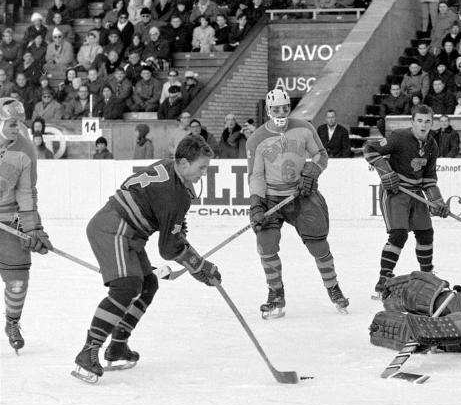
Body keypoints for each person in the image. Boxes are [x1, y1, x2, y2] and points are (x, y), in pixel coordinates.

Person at [72, 135, 220, 383]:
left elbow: (168, 224)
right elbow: (169, 248)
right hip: (113, 229)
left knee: (148, 284)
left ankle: (118, 346)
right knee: (126, 287)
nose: (203, 173)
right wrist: (199, 266)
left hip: (127, 232)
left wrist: (179, 232)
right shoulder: (176, 195)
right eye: (201, 167)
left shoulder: (169, 167)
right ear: (183, 163)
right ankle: (88, 351)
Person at [247, 89, 349, 319]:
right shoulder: (256, 140)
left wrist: (312, 172)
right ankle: (276, 293)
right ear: (267, 110)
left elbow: (321, 155)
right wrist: (256, 204)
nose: (281, 112)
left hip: (301, 195)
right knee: (266, 244)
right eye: (276, 109)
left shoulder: (305, 127)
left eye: (284, 108)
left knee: (318, 245)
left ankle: (333, 287)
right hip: (272, 198)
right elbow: (256, 176)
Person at [363, 104, 449, 297]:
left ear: (432, 123)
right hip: (395, 192)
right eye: (419, 120)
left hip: (416, 194)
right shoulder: (399, 137)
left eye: (427, 121)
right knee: (399, 235)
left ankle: (427, 277)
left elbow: (428, 178)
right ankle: (383, 281)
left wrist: (437, 201)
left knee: (426, 234)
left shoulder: (432, 145)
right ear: (412, 122)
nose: (423, 125)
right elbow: (369, 149)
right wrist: (386, 172)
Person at [0, 99, 53, 352]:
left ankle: (12, 322)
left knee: (18, 281)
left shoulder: (25, 150)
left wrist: (32, 228)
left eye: (19, 123)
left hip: (10, 221)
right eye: (12, 123)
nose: (17, 127)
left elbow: (26, 192)